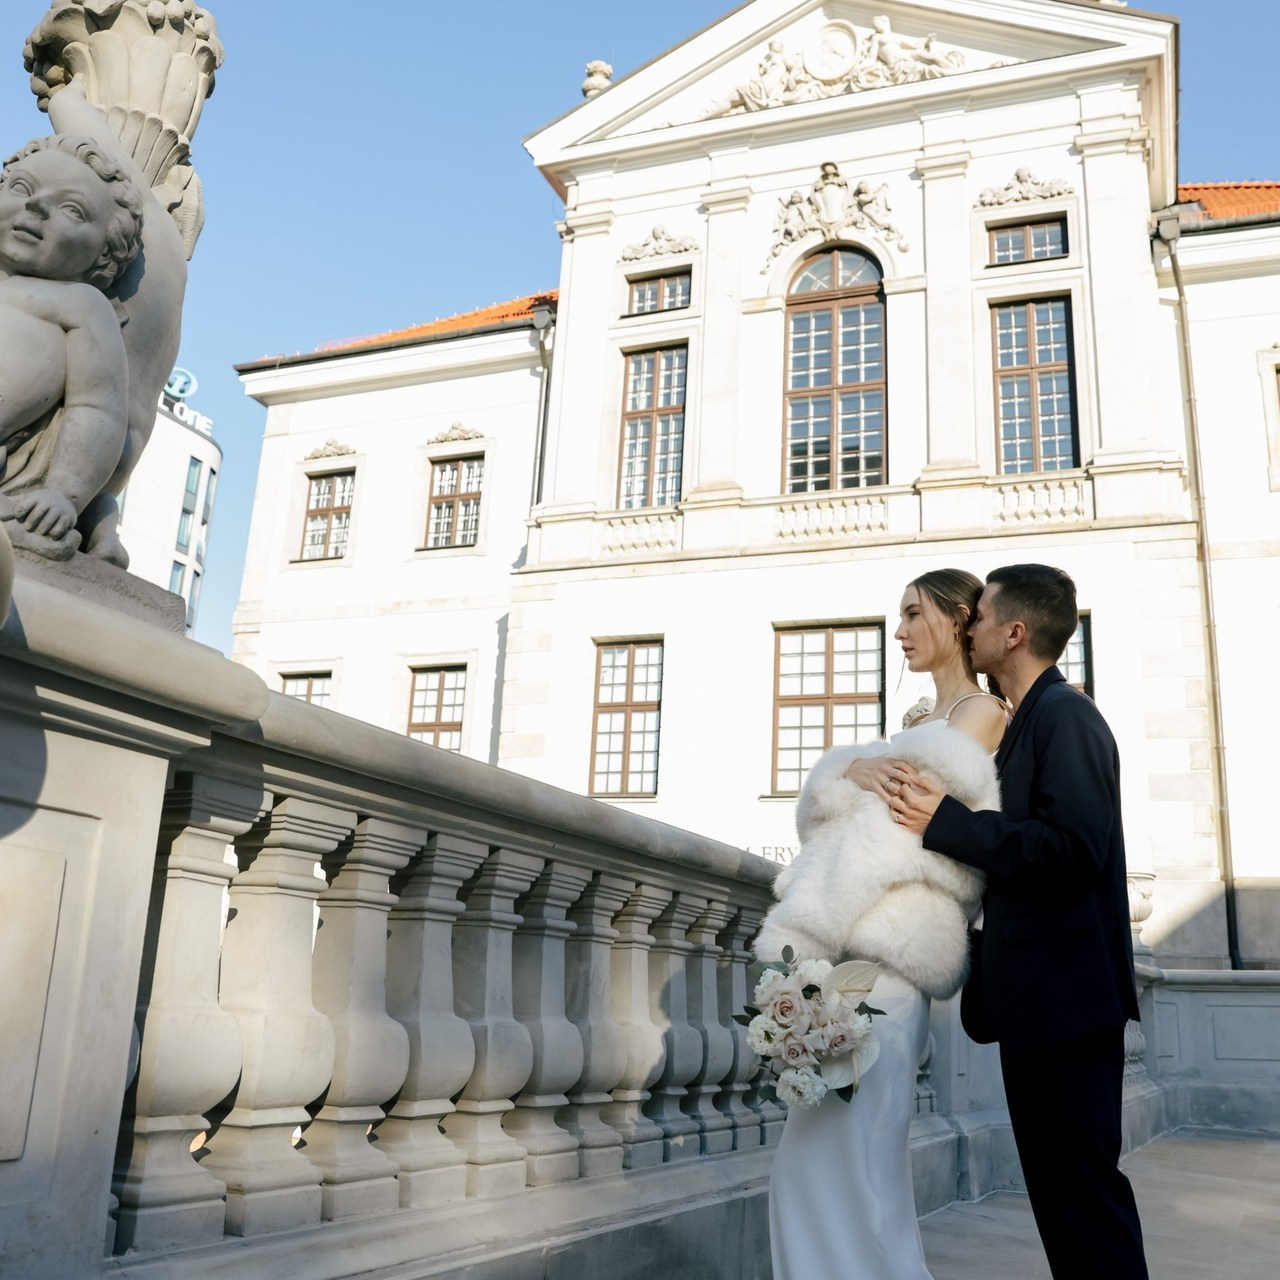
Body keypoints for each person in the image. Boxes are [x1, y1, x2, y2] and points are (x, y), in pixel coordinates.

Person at [889, 564, 1149, 1279]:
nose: (968, 626)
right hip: (1040, 1001)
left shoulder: (1068, 715)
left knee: (1084, 1197)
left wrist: (949, 825)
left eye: (980, 618)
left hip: (1068, 1003)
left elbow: (1072, 850)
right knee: (1062, 1202)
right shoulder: (1029, 719)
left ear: (1015, 631)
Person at [760, 569, 1007, 1280]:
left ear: (958, 618)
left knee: (860, 1162)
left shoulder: (980, 715)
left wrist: (853, 772)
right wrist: (854, 771)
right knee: (820, 1160)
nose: (897, 632)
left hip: (892, 960)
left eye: (911, 614)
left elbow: (891, 825)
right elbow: (838, 815)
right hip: (852, 956)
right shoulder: (918, 728)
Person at [0, 135, 139, 545]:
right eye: (22, 188)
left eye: (72, 209)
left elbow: (97, 407)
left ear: (104, 252)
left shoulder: (79, 305)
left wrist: (63, 491)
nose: (36, 205)